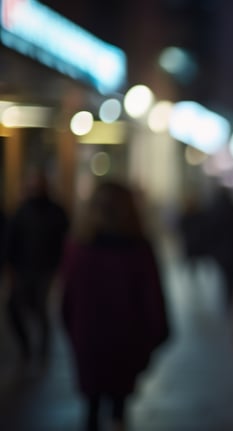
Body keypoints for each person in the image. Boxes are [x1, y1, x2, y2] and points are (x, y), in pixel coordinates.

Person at [59, 180, 169, 431]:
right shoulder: (139, 248)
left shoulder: (78, 248)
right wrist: (156, 334)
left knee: (91, 405)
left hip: (88, 337)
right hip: (127, 338)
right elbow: (153, 299)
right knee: (119, 405)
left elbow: (67, 299)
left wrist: (71, 329)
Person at [3, 168, 70, 361]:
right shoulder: (21, 211)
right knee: (15, 309)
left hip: (46, 269)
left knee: (40, 309)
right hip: (24, 268)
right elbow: (11, 240)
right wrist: (10, 267)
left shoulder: (56, 212)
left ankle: (42, 351)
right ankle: (27, 349)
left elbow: (65, 240)